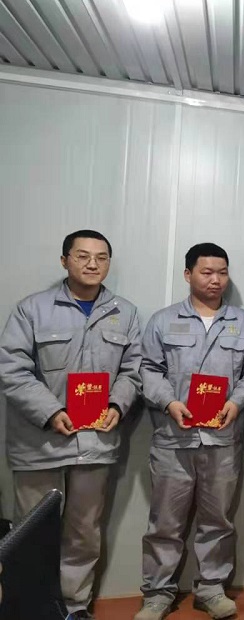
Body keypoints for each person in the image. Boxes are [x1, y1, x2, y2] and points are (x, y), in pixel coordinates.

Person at [0, 230, 141, 619]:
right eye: (82, 256)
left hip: (95, 442)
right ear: (64, 261)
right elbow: (11, 369)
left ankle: (74, 607)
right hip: (39, 443)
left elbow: (134, 369)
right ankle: (32, 609)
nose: (92, 264)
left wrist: (118, 403)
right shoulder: (32, 309)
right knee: (31, 534)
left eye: (101, 257)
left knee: (84, 532)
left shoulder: (126, 313)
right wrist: (49, 411)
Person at [135, 243, 244, 620]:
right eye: (207, 272)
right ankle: (157, 593)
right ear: (188, 274)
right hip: (173, 440)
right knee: (165, 522)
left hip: (223, 440)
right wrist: (169, 402)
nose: (215, 280)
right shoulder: (163, 321)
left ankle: (211, 588)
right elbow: (147, 369)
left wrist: (237, 401)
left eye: (222, 272)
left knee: (218, 520)